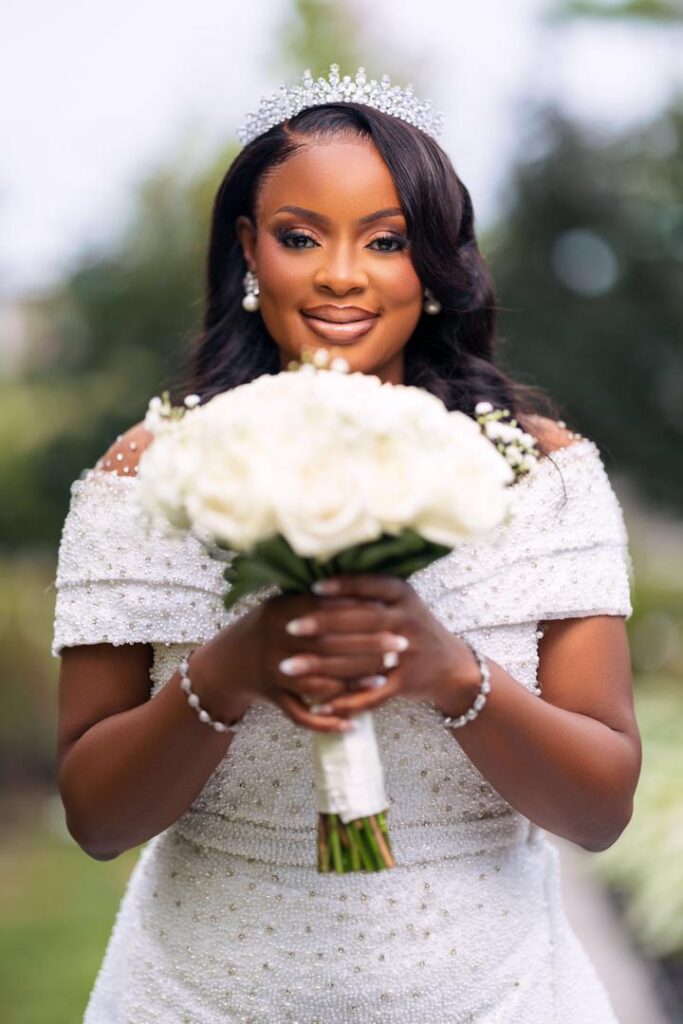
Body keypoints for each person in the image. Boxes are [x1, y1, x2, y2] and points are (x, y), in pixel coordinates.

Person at [52, 65, 641, 1023]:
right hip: (199, 994)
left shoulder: (539, 471)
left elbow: (601, 811)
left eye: (385, 241)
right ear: (249, 249)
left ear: (437, 263)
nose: (339, 273)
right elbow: (96, 821)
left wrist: (451, 673)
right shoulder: (152, 470)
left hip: (496, 992)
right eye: (299, 237)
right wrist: (230, 668)